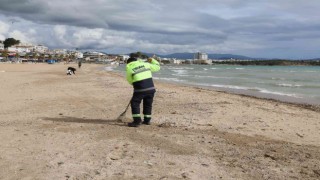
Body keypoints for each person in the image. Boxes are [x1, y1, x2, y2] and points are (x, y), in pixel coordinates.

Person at [125, 55, 160, 127]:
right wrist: (152, 60)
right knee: (148, 104)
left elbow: (129, 79)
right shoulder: (146, 64)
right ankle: (147, 120)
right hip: (151, 89)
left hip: (139, 89)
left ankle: (137, 121)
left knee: (135, 103)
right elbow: (157, 67)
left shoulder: (129, 67)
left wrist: (135, 84)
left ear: (128, 63)